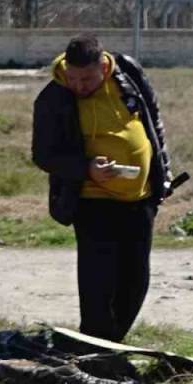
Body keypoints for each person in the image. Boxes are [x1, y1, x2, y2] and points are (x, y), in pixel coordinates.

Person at [32, 35, 173, 342]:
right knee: (98, 282)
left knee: (135, 280)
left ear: (103, 67)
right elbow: (43, 154)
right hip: (91, 200)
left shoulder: (127, 73)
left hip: (140, 198)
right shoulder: (54, 97)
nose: (79, 86)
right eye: (73, 77)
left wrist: (164, 174)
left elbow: (153, 121)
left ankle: (113, 342)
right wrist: (87, 169)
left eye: (87, 78)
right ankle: (94, 344)